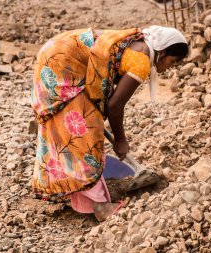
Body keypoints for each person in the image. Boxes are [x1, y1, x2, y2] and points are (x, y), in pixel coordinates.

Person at [30, 26, 188, 221]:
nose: (170, 67)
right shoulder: (141, 61)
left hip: (56, 53)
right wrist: (120, 140)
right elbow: (114, 106)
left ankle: (83, 194)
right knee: (85, 132)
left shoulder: (138, 43)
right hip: (60, 64)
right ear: (162, 52)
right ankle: (100, 205)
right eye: (172, 61)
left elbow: (108, 94)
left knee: (76, 125)